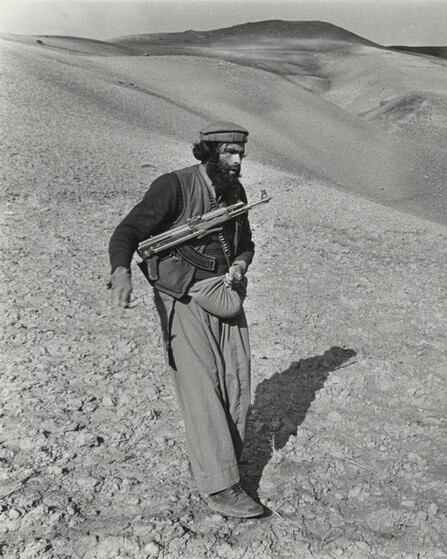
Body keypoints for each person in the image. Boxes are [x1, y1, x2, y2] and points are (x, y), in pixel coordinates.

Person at [108, 121, 264, 518]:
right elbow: (126, 232)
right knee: (202, 391)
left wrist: (240, 267)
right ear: (209, 153)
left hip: (224, 295)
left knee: (235, 383)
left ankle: (221, 463)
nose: (237, 161)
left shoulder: (236, 192)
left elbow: (245, 244)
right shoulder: (174, 186)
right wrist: (121, 271)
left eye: (241, 154)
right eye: (229, 153)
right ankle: (220, 485)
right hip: (182, 297)